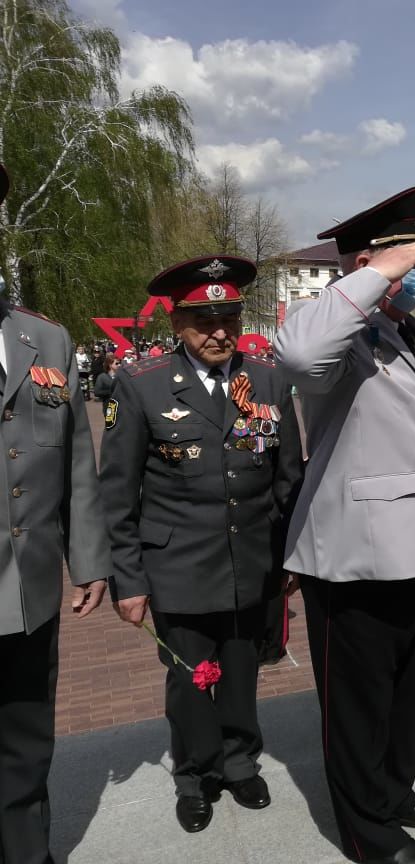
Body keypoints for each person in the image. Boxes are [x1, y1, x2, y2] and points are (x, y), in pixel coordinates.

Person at [274, 187, 415, 864]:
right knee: (359, 706)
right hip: (357, 557)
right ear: (365, 264)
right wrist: (378, 271)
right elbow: (296, 356)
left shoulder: (409, 330)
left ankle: (394, 791)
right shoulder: (336, 329)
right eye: (407, 257)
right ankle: (368, 835)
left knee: (410, 692)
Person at [101, 255, 303, 833]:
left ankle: (240, 762)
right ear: (178, 326)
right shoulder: (141, 386)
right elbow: (118, 493)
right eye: (204, 321)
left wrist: (289, 555)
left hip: (251, 562)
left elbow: (288, 476)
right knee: (192, 679)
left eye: (229, 319)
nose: (219, 332)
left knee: (241, 670)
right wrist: (129, 580)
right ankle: (194, 775)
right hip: (178, 566)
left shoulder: (267, 380)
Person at [0, 162, 111, 864]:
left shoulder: (45, 341)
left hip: (28, 591)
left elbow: (74, 463)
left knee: (24, 745)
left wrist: (90, 560)